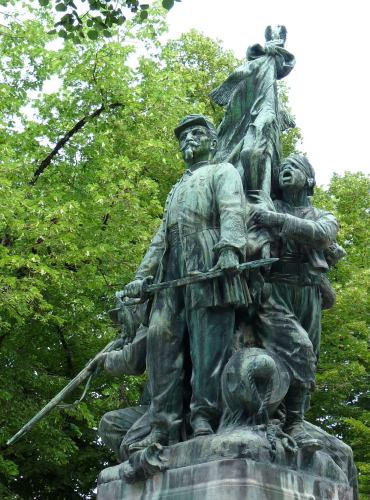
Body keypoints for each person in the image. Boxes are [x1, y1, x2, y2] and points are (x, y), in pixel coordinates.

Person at [123, 114, 249, 448]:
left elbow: (233, 210)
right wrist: (140, 277)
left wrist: (230, 250)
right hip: (171, 271)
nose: (188, 139)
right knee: (160, 341)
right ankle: (162, 426)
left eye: (196, 133)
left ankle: (204, 418)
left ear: (213, 141)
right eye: (183, 136)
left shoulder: (223, 171)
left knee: (209, 347)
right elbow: (160, 238)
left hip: (208, 260)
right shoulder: (177, 186)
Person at [252, 154, 338, 447]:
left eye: (294, 168)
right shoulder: (269, 205)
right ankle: (292, 422)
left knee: (307, 355)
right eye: (283, 168)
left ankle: (289, 418)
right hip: (275, 290)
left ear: (310, 180)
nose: (286, 170)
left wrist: (278, 221)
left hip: (309, 292)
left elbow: (322, 236)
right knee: (298, 349)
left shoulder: (322, 216)